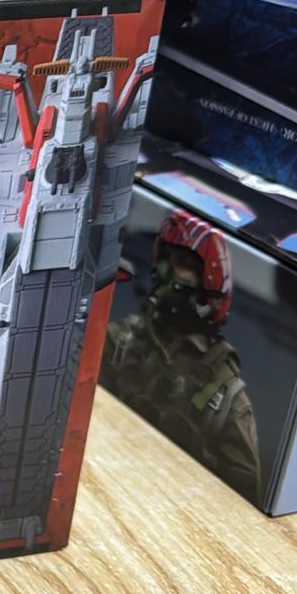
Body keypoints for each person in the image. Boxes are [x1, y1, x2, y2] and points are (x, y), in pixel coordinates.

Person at [103, 211, 262, 502]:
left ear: (210, 281)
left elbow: (245, 493)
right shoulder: (121, 339)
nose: (169, 271)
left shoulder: (224, 392)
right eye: (167, 259)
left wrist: (195, 455)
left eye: (184, 264)